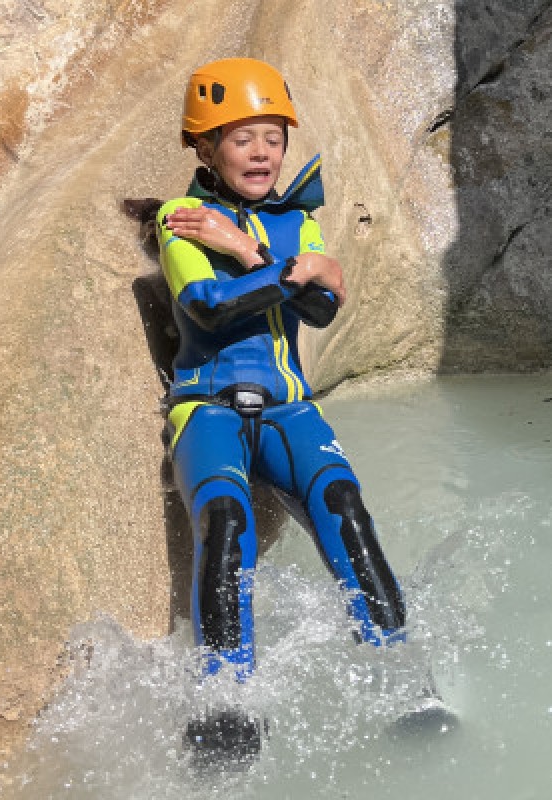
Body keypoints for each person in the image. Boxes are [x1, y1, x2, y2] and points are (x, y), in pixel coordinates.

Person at [156, 57, 407, 761]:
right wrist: (272, 261)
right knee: (226, 519)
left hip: (288, 405)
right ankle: (225, 702)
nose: (262, 151)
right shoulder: (184, 217)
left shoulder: (301, 219)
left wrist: (252, 250)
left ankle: (397, 667)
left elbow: (323, 308)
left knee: (345, 504)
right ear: (205, 149)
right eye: (241, 138)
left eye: (272, 135)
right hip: (206, 408)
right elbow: (206, 305)